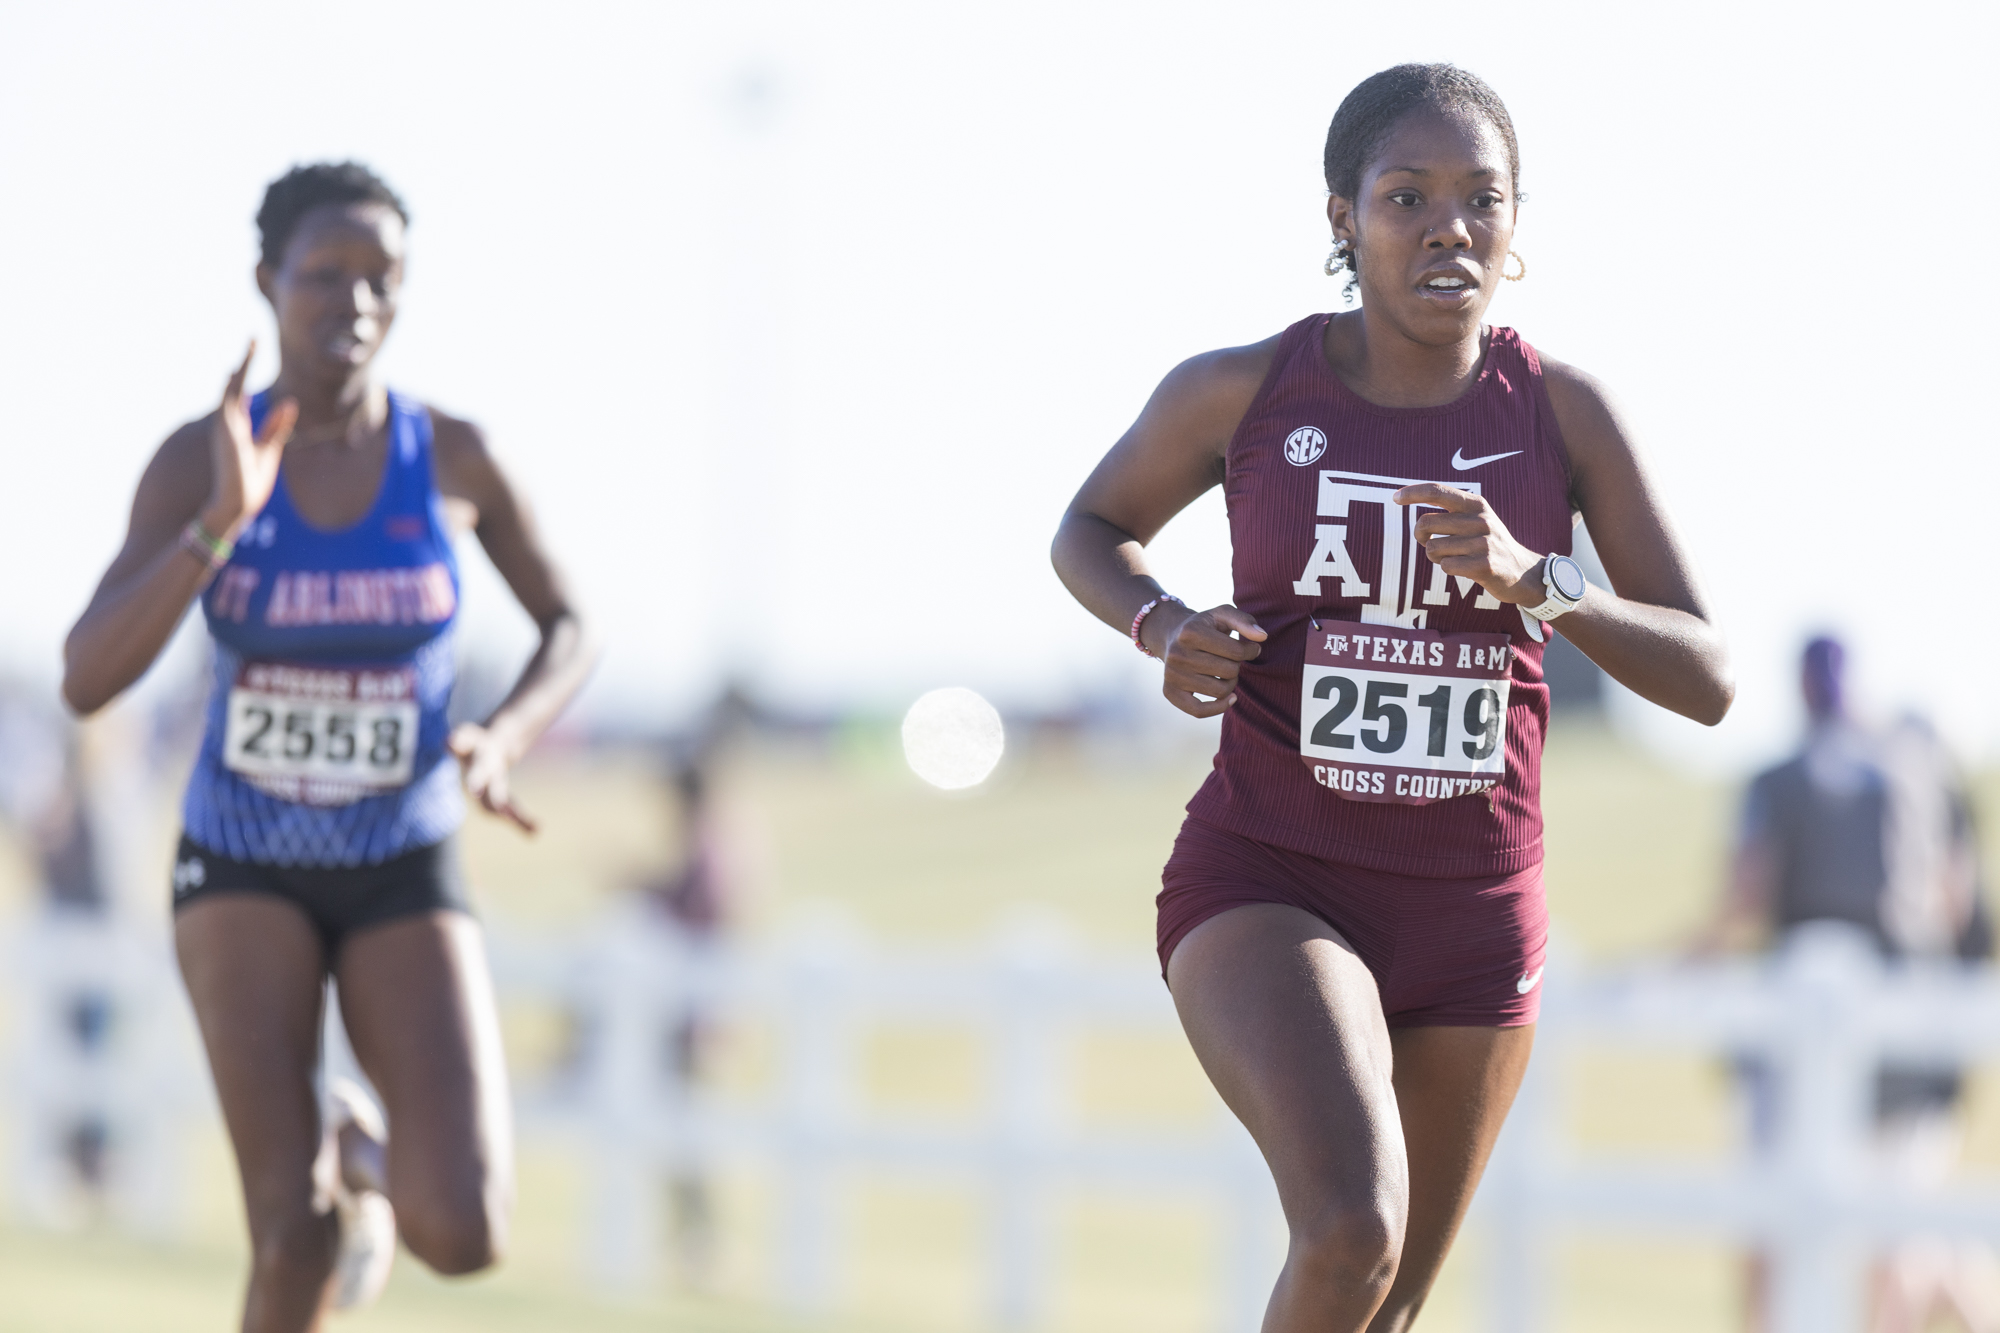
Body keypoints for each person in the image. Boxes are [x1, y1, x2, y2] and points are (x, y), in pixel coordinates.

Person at [1051, 64, 1732, 1330]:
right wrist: (1161, 624)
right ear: (1339, 220)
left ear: (1516, 226)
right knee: (1349, 1229)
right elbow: (1089, 526)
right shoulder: (1244, 390)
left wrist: (1542, 582)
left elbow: (1706, 677)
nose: (1446, 227)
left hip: (1474, 917)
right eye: (1404, 196)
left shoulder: (1561, 415)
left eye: (1479, 199)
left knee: (1388, 1303)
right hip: (1273, 877)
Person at [61, 161, 596, 1331]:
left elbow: (571, 624)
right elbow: (88, 676)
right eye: (322, 277)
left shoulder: (453, 456)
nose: (352, 303)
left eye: (380, 280)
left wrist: (507, 734)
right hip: (241, 856)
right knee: (288, 1233)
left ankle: (364, 1148)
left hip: (402, 852)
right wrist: (217, 524)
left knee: (462, 1230)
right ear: (267, 282)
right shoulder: (197, 461)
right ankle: (329, 1181)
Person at [1694, 637, 1999, 1333]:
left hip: (1803, 1034)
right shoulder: (1922, 769)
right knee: (1907, 1228)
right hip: (1915, 1033)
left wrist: (1681, 964)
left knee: (1775, 1226)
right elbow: (1959, 902)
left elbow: (1748, 888)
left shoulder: (1778, 779)